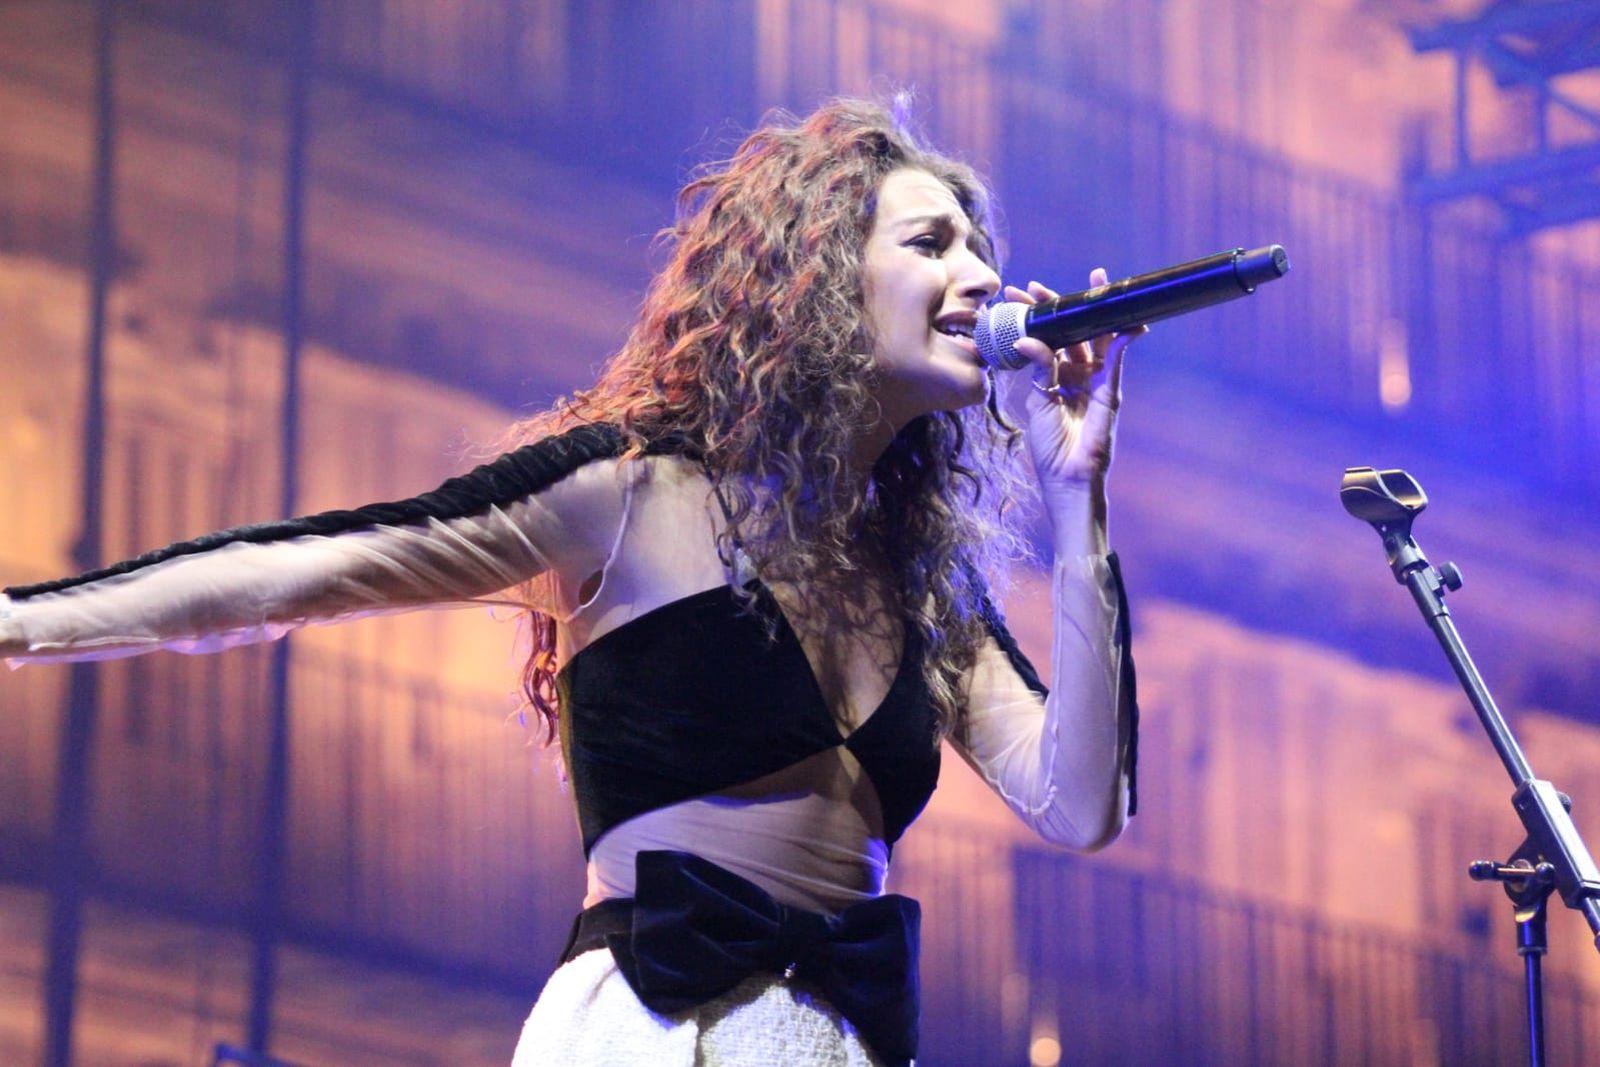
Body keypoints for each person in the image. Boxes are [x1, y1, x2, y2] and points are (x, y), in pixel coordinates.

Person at [0, 98, 1139, 1066]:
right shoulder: (634, 494)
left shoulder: (922, 589)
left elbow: (1081, 801)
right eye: (930, 242)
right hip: (649, 1030)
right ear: (818, 279)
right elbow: (307, 569)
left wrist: (1075, 485)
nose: (981, 274)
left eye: (977, 246)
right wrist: (21, 622)